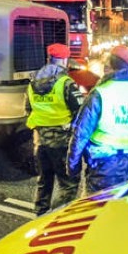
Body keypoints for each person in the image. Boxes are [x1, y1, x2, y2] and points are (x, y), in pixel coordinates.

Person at [67, 45, 128, 193]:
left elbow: (81, 134)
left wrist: (73, 168)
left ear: (108, 68)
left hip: (103, 170)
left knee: (96, 211)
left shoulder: (100, 93)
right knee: (127, 209)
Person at [26, 43, 85, 215]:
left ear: (48, 59)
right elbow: (80, 111)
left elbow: (28, 109)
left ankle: (40, 215)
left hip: (41, 140)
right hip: (62, 141)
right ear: (65, 61)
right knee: (69, 184)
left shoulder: (33, 82)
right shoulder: (66, 84)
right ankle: (56, 218)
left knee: (44, 180)